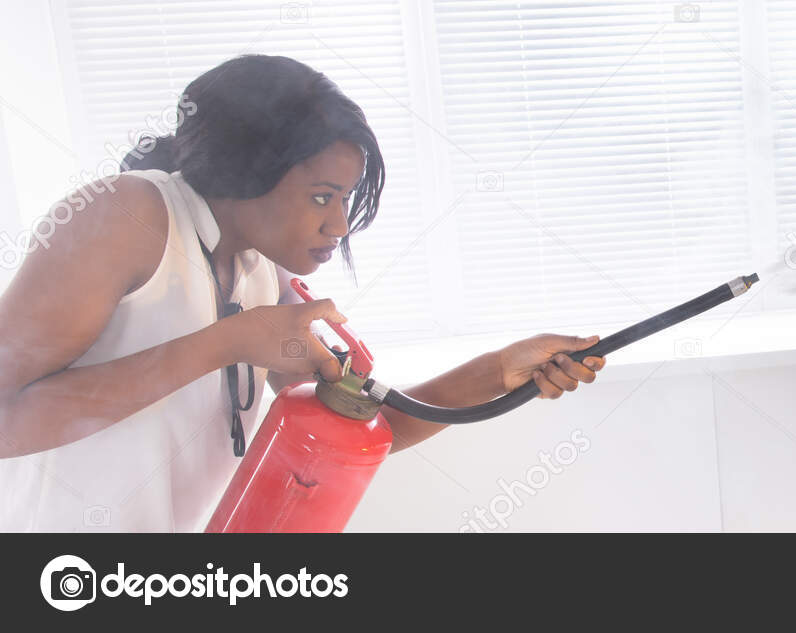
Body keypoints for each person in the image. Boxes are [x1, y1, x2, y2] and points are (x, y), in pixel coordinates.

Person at [0, 55, 604, 531]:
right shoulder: (124, 215)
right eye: (322, 197)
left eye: (345, 199)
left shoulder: (263, 270)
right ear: (246, 169)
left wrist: (499, 372)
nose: (339, 226)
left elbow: (357, 432)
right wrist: (226, 343)